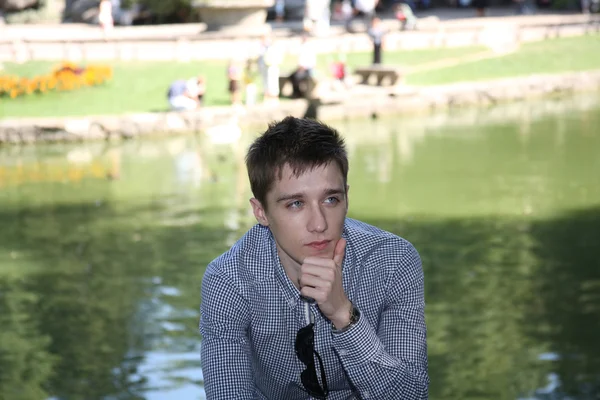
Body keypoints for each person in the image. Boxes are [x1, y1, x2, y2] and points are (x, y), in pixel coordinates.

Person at [200, 117, 429, 399]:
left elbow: (412, 395)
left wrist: (344, 315)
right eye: (296, 204)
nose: (319, 223)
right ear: (261, 212)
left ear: (346, 197)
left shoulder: (392, 261)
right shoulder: (229, 280)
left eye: (330, 199)